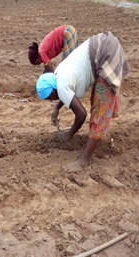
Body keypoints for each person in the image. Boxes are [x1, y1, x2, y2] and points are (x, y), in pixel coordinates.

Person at [36, 33, 130, 171]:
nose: (52, 100)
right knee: (97, 99)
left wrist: (70, 133)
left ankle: (82, 162)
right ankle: (93, 140)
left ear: (52, 92)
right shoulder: (58, 73)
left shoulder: (61, 87)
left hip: (105, 55)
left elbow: (81, 115)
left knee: (99, 112)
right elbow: (64, 90)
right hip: (102, 44)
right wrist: (57, 108)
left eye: (50, 98)